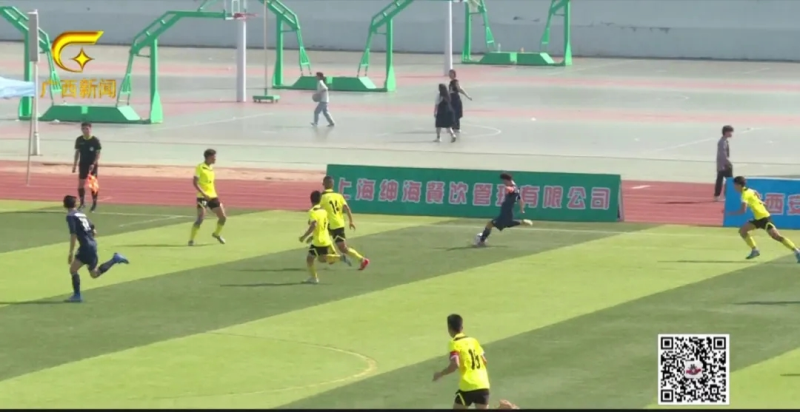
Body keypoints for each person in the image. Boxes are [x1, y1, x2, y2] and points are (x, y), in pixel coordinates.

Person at [63, 195, 129, 303]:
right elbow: (94, 230)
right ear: (75, 204)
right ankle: (115, 259)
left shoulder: (70, 216)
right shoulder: (82, 214)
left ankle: (77, 295)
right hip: (92, 245)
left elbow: (73, 234)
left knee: (73, 270)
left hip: (86, 247)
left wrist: (71, 252)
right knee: (94, 274)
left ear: (64, 205)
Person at [725, 176, 800, 262]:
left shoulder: (744, 195)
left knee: (776, 236)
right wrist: (760, 201)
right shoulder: (749, 190)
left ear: (738, 185)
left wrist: (730, 213)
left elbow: (743, 211)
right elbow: (755, 192)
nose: (734, 187)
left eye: (734, 185)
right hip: (757, 219)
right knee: (742, 231)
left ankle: (797, 251)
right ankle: (755, 250)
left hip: (765, 218)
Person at [433, 314, 491, 410]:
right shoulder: (473, 341)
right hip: (483, 384)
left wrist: (441, 374)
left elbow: (455, 364)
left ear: (449, 328)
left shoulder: (454, 343)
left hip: (468, 385)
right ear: (462, 327)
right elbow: (484, 360)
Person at [320, 175, 371, 270]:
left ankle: (362, 259)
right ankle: (333, 254)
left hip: (331, 224)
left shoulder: (322, 197)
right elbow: (346, 208)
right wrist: (351, 221)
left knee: (342, 248)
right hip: (338, 224)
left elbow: (318, 211)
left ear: (324, 184)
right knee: (324, 237)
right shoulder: (339, 196)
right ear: (332, 185)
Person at [474, 173, 533, 246]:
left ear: (507, 180)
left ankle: (481, 242)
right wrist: (522, 209)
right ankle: (522, 222)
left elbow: (514, 192)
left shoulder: (513, 188)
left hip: (506, 213)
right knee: (506, 223)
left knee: (490, 224)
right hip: (506, 213)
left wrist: (509, 189)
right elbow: (520, 200)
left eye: (504, 181)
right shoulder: (515, 188)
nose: (503, 183)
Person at [299, 190, 343, 284]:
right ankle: (337, 258)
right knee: (321, 258)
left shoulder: (312, 212)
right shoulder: (324, 211)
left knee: (310, 259)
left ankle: (314, 278)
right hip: (325, 239)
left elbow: (314, 225)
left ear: (311, 200)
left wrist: (304, 236)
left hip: (318, 241)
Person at [189, 149, 227, 246]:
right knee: (200, 218)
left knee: (223, 217)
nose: (215, 159)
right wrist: (204, 193)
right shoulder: (200, 167)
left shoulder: (211, 168)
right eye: (214, 157)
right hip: (202, 197)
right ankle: (191, 240)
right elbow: (195, 182)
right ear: (209, 157)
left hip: (213, 196)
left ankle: (216, 234)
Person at [71, 122, 102, 212]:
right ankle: (82, 203)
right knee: (81, 184)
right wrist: (74, 165)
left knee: (93, 184)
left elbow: (98, 154)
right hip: (82, 164)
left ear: (90, 129)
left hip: (92, 165)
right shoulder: (79, 140)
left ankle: (94, 204)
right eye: (83, 129)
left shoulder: (95, 140)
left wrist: (93, 163)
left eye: (87, 129)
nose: (85, 130)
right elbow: (77, 153)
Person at [448, 69, 473, 135]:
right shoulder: (451, 82)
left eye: (451, 73)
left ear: (454, 74)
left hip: (455, 99)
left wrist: (467, 96)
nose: (449, 75)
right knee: (452, 113)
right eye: (449, 73)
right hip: (451, 98)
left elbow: (460, 89)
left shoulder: (456, 81)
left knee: (455, 113)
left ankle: (457, 127)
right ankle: (453, 126)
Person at [714, 125, 734, 201]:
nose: (731, 134)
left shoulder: (724, 141)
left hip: (723, 164)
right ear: (726, 132)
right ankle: (723, 195)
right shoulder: (722, 142)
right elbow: (723, 154)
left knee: (722, 180)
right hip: (724, 165)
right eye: (730, 132)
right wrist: (728, 162)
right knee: (728, 180)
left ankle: (719, 195)